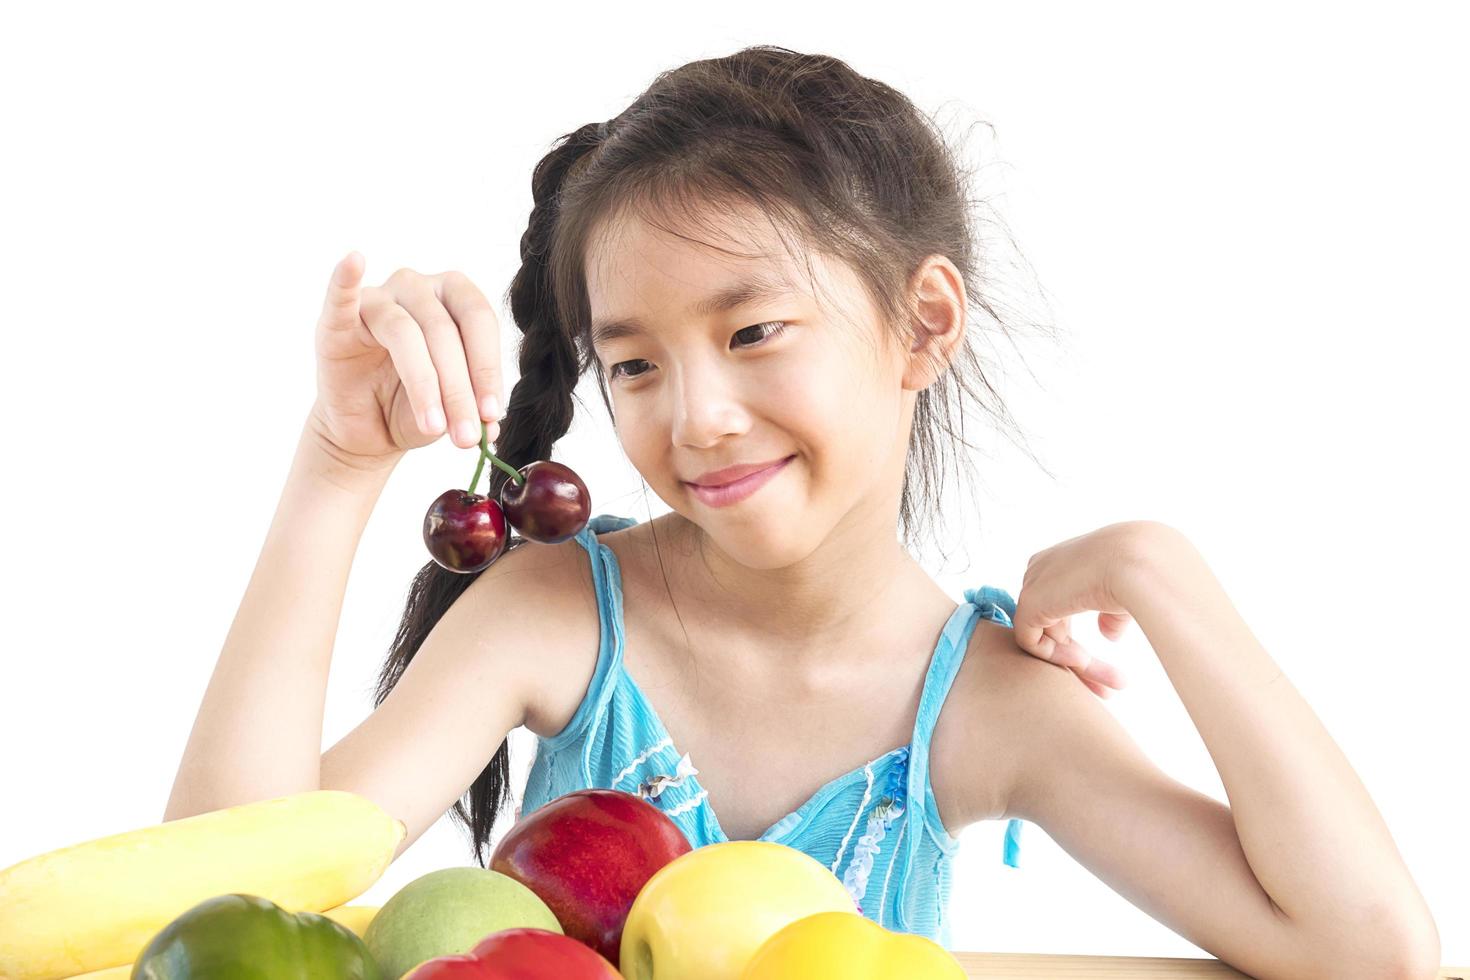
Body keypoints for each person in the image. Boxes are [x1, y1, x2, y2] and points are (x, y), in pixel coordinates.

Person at [162, 46, 1440, 974]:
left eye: (755, 330)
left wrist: (1167, 577)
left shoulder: (981, 702)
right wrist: (337, 465)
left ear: (920, 324)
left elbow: (1374, 954)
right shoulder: (556, 614)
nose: (697, 414)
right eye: (638, 363)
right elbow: (208, 911)